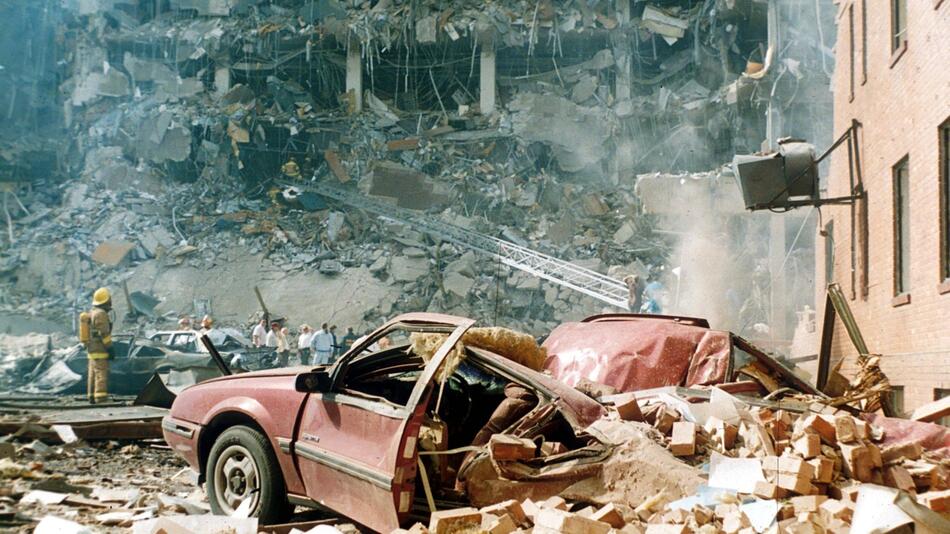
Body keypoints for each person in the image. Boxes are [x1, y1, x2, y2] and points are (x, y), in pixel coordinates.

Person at [80, 288, 114, 404]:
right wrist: (110, 348)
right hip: (100, 349)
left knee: (92, 374)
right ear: (105, 301)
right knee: (101, 373)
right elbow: (104, 333)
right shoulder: (101, 314)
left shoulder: (92, 312)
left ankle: (91, 396)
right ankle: (100, 398)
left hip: (91, 349)